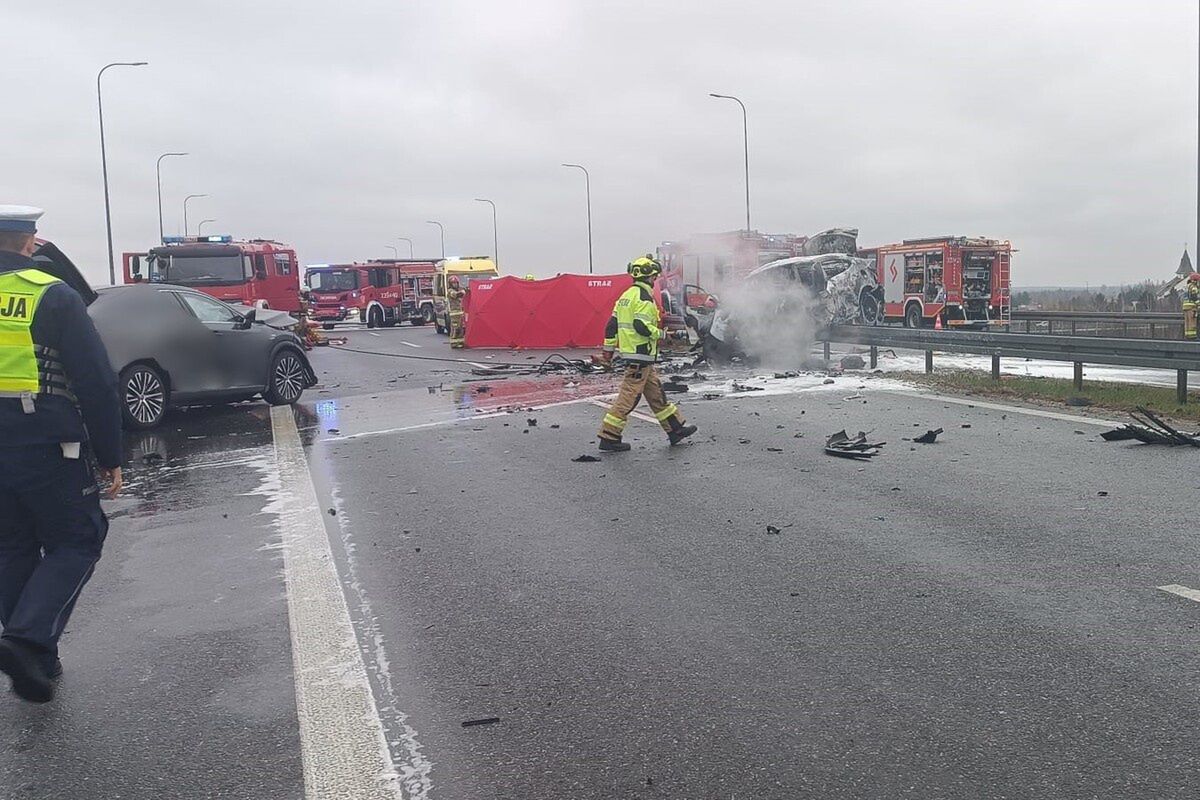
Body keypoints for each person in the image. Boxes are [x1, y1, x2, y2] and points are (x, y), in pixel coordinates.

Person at [0, 206, 122, 703]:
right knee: (78, 539)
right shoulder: (50, 294)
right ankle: (27, 640)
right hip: (46, 440)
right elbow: (95, 381)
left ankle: (36, 657)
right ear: (29, 242)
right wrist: (111, 453)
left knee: (11, 546)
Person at [597, 255, 697, 452]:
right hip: (640, 356)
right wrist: (664, 335)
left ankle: (675, 429)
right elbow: (641, 326)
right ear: (650, 277)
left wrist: (607, 353)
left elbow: (611, 327)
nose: (654, 280)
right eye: (654, 277)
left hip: (638, 357)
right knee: (629, 397)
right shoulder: (644, 298)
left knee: (656, 394)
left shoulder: (626, 297)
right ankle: (609, 436)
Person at [447, 275, 466, 349]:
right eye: (453, 283)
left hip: (460, 313)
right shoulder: (450, 291)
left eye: (456, 283)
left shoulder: (459, 289)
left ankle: (460, 342)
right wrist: (462, 292)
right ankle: (454, 343)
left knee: (461, 329)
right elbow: (456, 295)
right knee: (455, 329)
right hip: (454, 314)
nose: (455, 284)